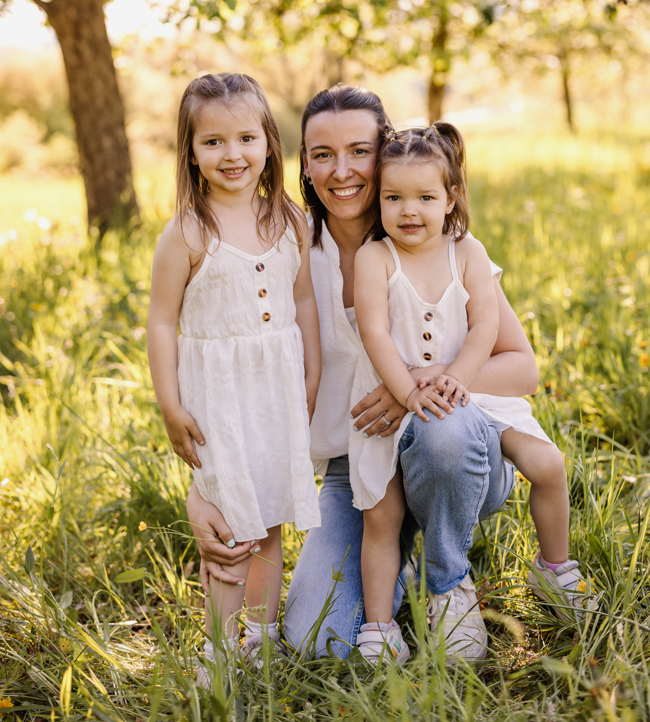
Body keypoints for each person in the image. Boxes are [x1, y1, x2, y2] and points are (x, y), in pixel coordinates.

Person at [185, 85, 540, 663]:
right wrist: (204, 488)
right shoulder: (283, 249)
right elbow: (232, 371)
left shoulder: (436, 237)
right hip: (357, 473)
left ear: (389, 151)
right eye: (322, 154)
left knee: (441, 431)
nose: (342, 171)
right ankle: (395, 571)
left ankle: (448, 585)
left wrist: (416, 386)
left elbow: (522, 368)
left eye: (360, 150)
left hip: (455, 450)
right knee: (317, 638)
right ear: (303, 162)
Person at [350, 124, 583, 664]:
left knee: (548, 464)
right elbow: (375, 333)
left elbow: (484, 329)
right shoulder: (376, 258)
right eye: (394, 198)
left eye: (426, 197)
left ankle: (555, 570)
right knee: (380, 516)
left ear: (451, 197)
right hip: (405, 405)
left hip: (470, 395)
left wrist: (455, 376)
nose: (410, 211)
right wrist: (409, 392)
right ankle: (381, 627)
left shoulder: (468, 251)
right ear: (378, 199)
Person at [147, 73, 321, 676]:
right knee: (228, 520)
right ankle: (218, 653)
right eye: (213, 142)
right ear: (190, 152)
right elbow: (162, 323)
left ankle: (262, 635)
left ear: (270, 142)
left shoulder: (290, 222)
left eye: (246, 138)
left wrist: (311, 376)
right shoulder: (188, 232)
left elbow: (303, 306)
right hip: (217, 400)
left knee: (269, 517)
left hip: (276, 393)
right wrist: (170, 404)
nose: (233, 155)